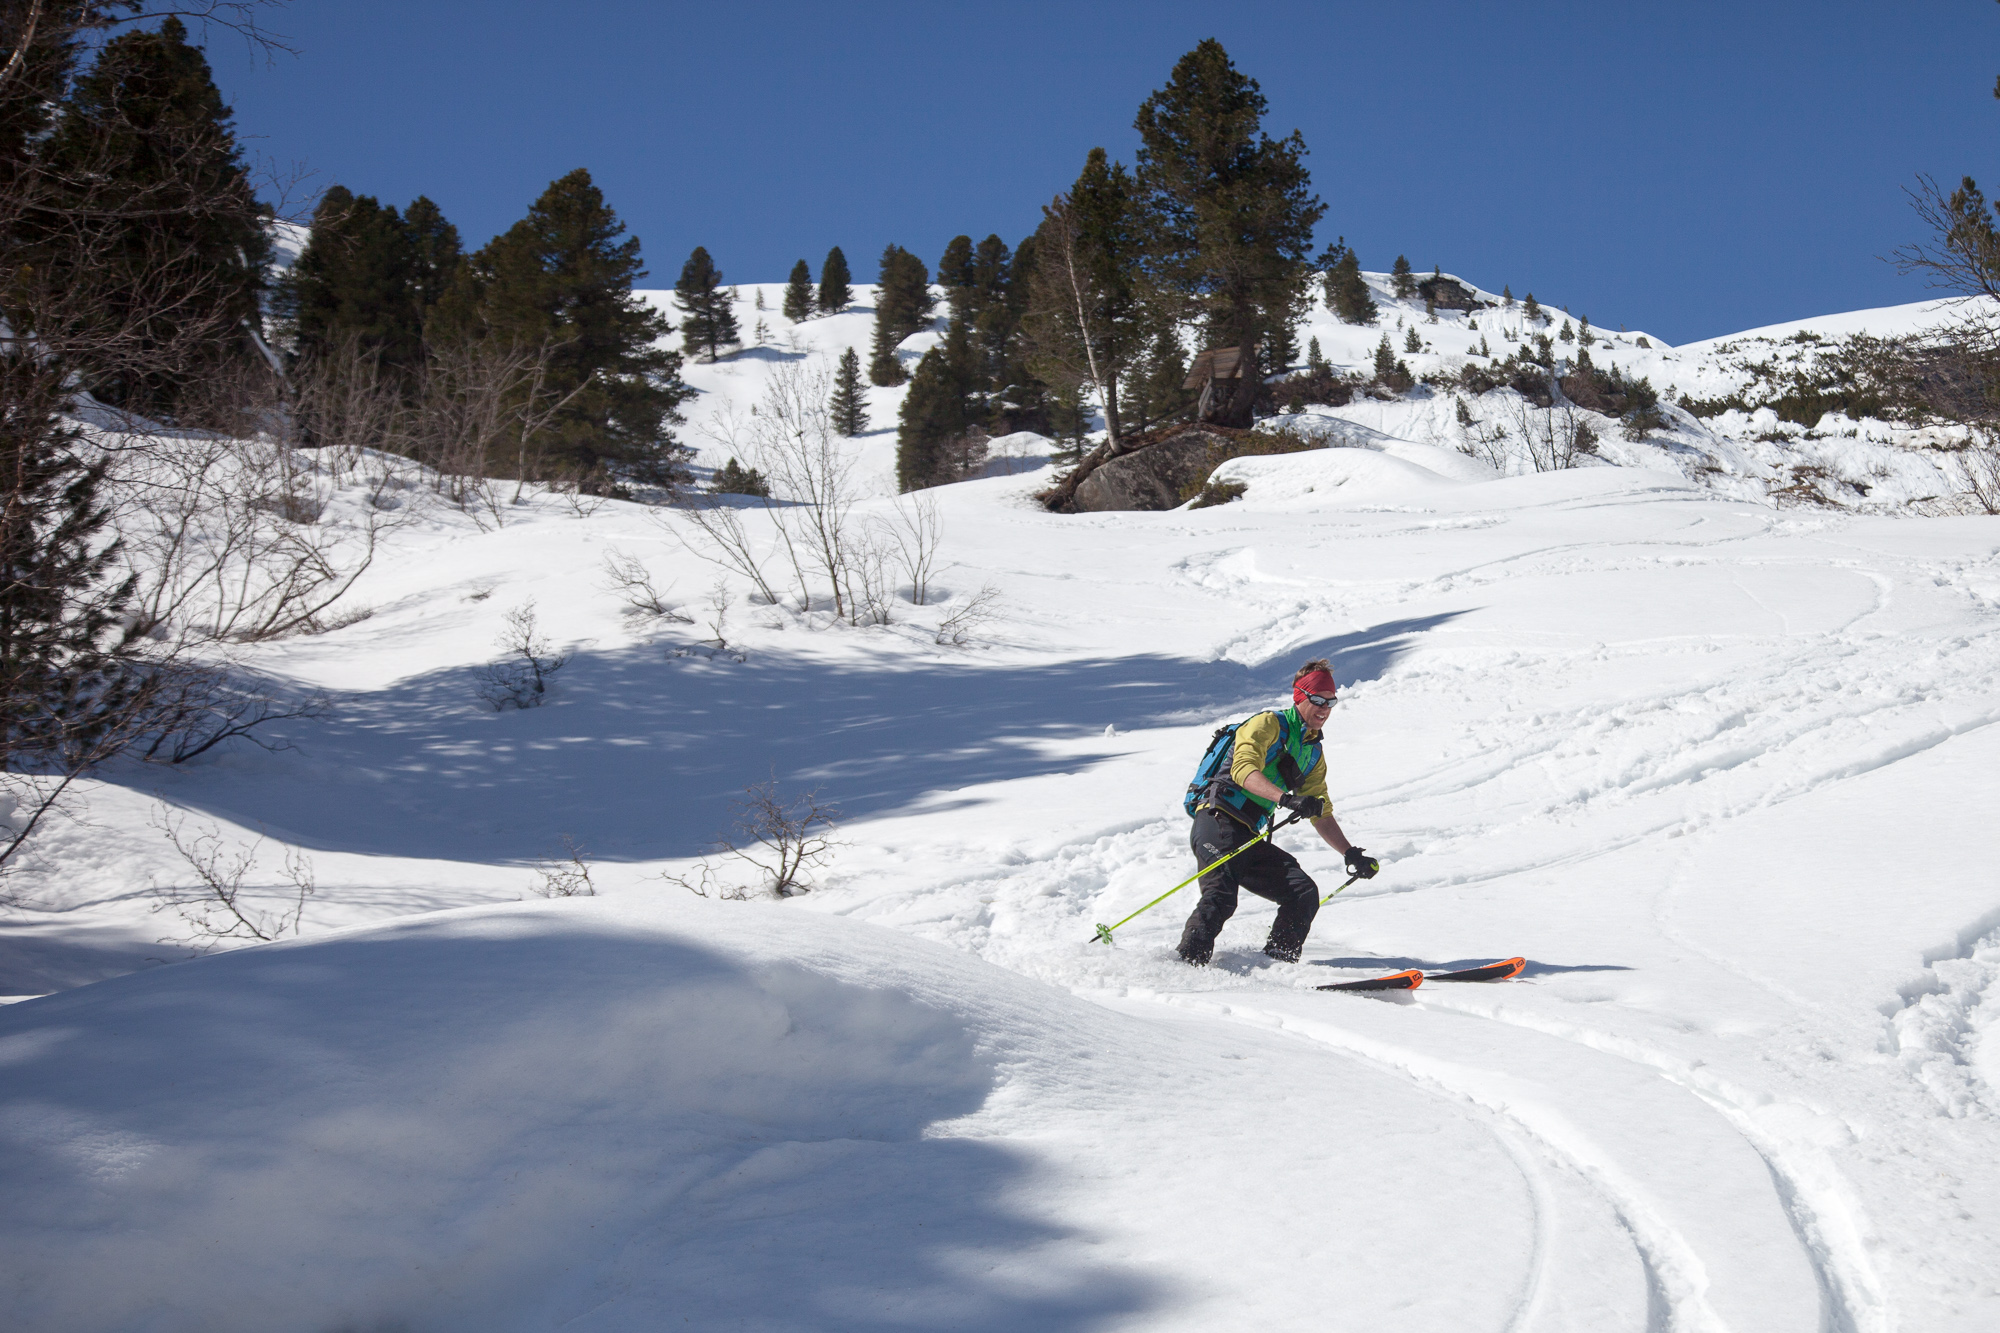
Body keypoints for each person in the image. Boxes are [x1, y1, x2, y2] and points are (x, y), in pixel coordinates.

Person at [1178, 660, 1378, 966]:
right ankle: (1185, 966)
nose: (1325, 708)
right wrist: (1285, 798)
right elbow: (1243, 770)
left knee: (1302, 892)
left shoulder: (1312, 750)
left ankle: (1275, 966)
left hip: (1247, 834)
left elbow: (1320, 809)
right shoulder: (1268, 725)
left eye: (1331, 701)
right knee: (1220, 896)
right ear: (1299, 696)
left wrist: (1349, 852)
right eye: (1318, 700)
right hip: (1217, 820)